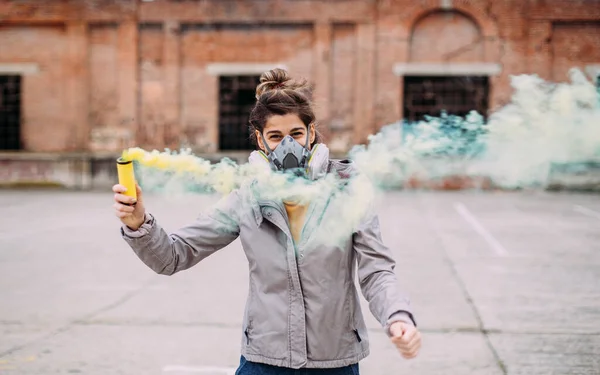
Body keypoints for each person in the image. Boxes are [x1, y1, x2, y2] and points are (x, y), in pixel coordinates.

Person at [112, 69, 421, 374]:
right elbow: (172, 256)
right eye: (275, 136)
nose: (288, 145)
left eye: (296, 134)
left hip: (334, 362)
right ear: (261, 141)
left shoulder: (349, 188)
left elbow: (376, 271)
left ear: (311, 133)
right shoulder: (246, 197)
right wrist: (139, 223)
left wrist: (398, 317)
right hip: (263, 363)